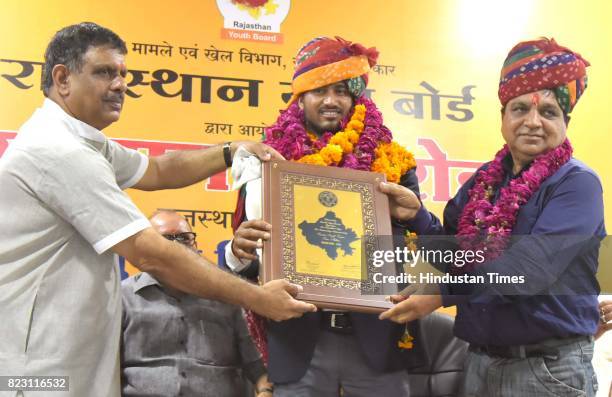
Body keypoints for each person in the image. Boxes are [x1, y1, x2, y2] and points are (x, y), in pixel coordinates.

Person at [0, 22, 315, 397]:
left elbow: (158, 170)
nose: (120, 85)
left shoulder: (84, 142)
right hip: (39, 372)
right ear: (63, 78)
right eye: (104, 72)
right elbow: (151, 253)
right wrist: (259, 298)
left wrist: (231, 151)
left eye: (122, 74)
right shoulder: (58, 150)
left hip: (66, 361)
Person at [380, 37, 605, 396]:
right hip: (479, 363)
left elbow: (527, 271)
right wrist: (417, 216)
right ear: (502, 117)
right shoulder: (483, 182)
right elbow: (454, 254)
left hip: (547, 371)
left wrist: (442, 295)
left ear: (566, 122)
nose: (533, 122)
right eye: (520, 109)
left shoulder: (577, 184)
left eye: (548, 112)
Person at [225, 36, 425, 396]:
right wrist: (239, 253)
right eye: (319, 90)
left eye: (341, 91)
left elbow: (420, 252)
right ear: (300, 97)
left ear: (356, 97)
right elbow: (249, 255)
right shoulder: (268, 163)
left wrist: (415, 219)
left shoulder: (394, 165)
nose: (331, 101)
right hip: (299, 343)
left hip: (377, 339)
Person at [121, 210, 274, 397]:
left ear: (196, 244)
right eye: (166, 239)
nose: (177, 247)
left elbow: (259, 368)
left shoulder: (227, 296)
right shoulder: (123, 298)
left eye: (184, 238)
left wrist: (265, 391)